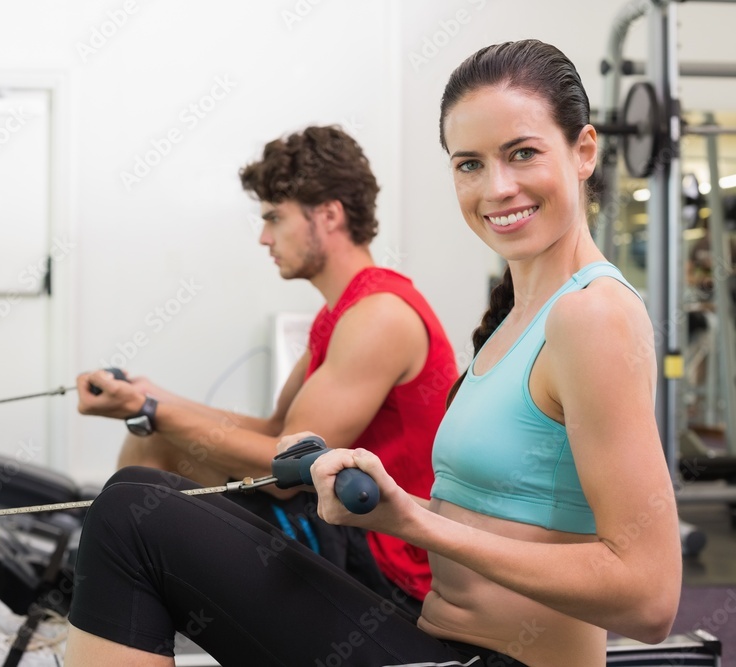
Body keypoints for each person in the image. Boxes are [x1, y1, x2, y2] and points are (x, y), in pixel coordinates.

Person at [62, 40, 682, 667]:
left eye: (523, 153)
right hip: (437, 638)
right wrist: (395, 505)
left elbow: (650, 598)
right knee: (136, 494)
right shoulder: (516, 319)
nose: (497, 187)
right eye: (469, 164)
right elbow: (491, 515)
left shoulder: (592, 313)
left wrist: (413, 526)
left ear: (583, 151)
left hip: (491, 659)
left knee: (128, 520)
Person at [76, 125, 457, 606]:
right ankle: (96, 621)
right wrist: (151, 395)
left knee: (153, 456)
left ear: (329, 215)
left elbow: (285, 476)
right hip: (344, 525)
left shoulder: (380, 316)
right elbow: (280, 429)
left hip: (387, 565)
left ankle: (93, 627)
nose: (263, 237)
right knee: (151, 443)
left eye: (275, 218)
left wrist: (151, 412)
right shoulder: (343, 312)